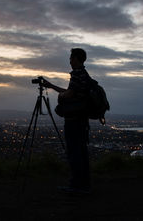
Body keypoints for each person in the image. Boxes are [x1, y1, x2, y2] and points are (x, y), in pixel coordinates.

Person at [42, 48, 91, 194]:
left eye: (71, 58)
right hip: (82, 119)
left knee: (74, 152)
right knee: (81, 152)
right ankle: (84, 185)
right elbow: (72, 92)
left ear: (76, 59)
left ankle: (76, 186)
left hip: (74, 120)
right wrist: (51, 86)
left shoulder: (77, 74)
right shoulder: (84, 75)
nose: (69, 61)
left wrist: (61, 98)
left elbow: (69, 94)